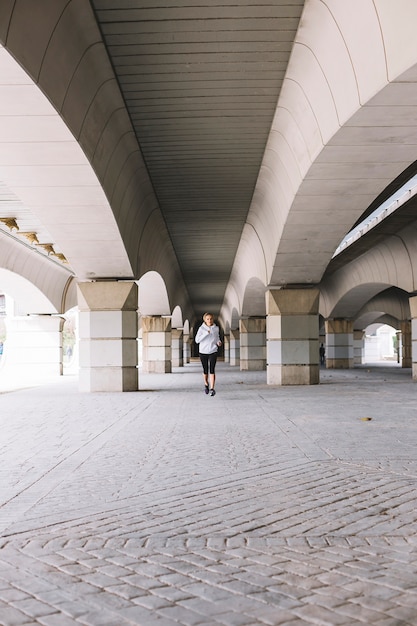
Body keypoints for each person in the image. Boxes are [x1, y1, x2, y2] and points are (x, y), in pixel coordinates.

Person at [195, 312, 222, 396]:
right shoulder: (201, 329)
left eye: (211, 319)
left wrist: (219, 342)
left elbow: (217, 337)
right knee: (205, 369)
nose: (209, 320)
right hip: (203, 351)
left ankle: (212, 388)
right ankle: (206, 384)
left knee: (212, 369)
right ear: (205, 320)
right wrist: (206, 333)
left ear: (213, 319)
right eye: (208, 319)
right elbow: (197, 340)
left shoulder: (216, 328)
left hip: (213, 350)